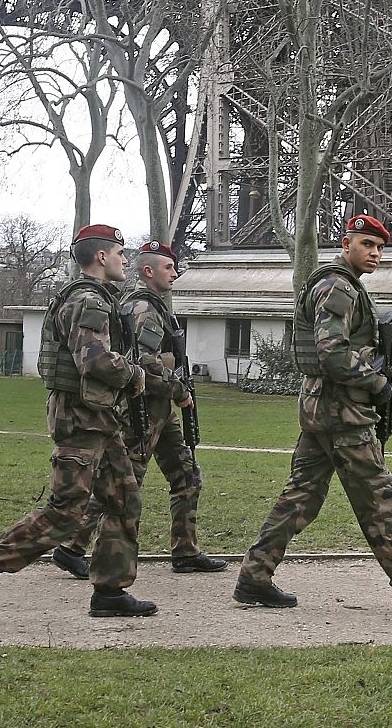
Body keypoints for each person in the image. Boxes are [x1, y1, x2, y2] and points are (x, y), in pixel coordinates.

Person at [233, 214, 392, 616]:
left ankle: (255, 576)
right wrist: (378, 385)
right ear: (346, 244)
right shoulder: (338, 287)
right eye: (367, 244)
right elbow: (332, 353)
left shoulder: (335, 284)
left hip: (320, 407)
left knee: (300, 496)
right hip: (342, 412)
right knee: (380, 497)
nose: (375, 253)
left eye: (379, 248)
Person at [0, 224, 154, 620]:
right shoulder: (88, 301)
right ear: (102, 257)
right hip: (81, 418)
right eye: (120, 253)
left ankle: (111, 591)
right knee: (67, 511)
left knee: (123, 499)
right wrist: (134, 375)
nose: (124, 260)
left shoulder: (92, 298)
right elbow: (94, 360)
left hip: (99, 418)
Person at [52, 240, 228, 578]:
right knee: (122, 485)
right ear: (148, 271)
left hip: (160, 412)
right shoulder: (143, 309)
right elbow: (145, 362)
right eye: (168, 268)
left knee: (187, 475)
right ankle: (72, 546)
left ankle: (186, 550)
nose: (175, 273)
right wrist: (178, 390)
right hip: (142, 412)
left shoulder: (155, 306)